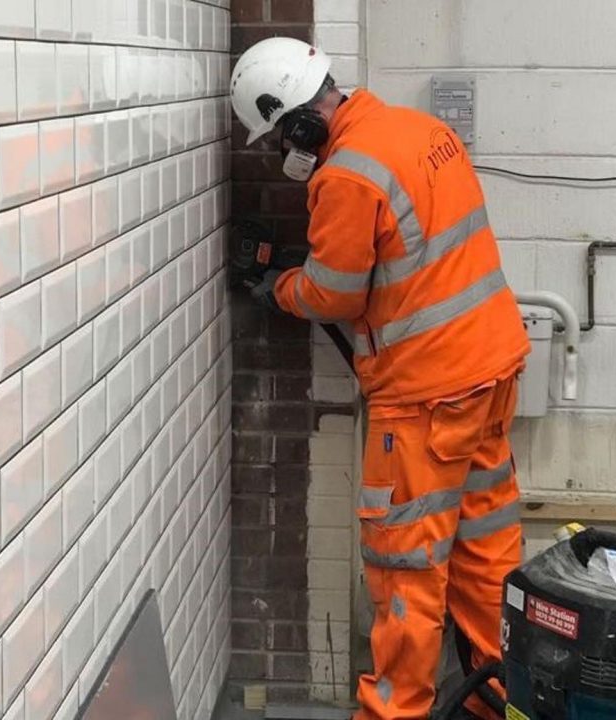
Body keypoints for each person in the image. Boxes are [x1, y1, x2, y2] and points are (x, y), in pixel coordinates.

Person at [229, 37, 531, 720]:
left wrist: (277, 287)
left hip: (425, 400)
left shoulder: (345, 176)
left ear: (298, 121)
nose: (285, 154)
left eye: (280, 138)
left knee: (406, 571)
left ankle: (392, 714)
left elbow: (333, 294)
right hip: (489, 372)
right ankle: (501, 702)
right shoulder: (421, 130)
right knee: (485, 556)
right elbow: (401, 252)